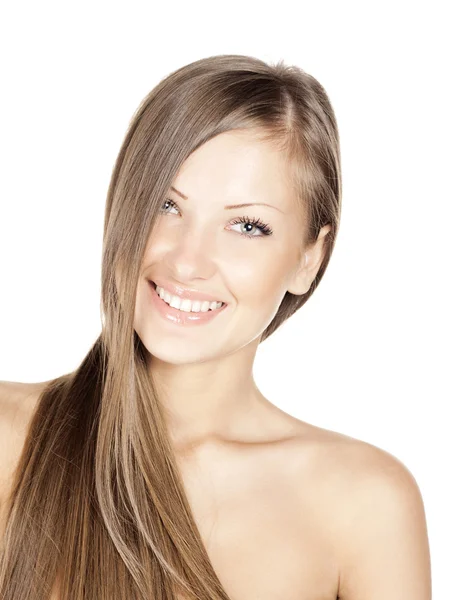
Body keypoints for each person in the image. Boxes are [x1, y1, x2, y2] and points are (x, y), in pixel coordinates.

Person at [0, 54, 431, 599]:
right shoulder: (10, 438)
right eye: (166, 205)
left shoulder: (365, 504)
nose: (187, 261)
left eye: (248, 225)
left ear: (308, 258)